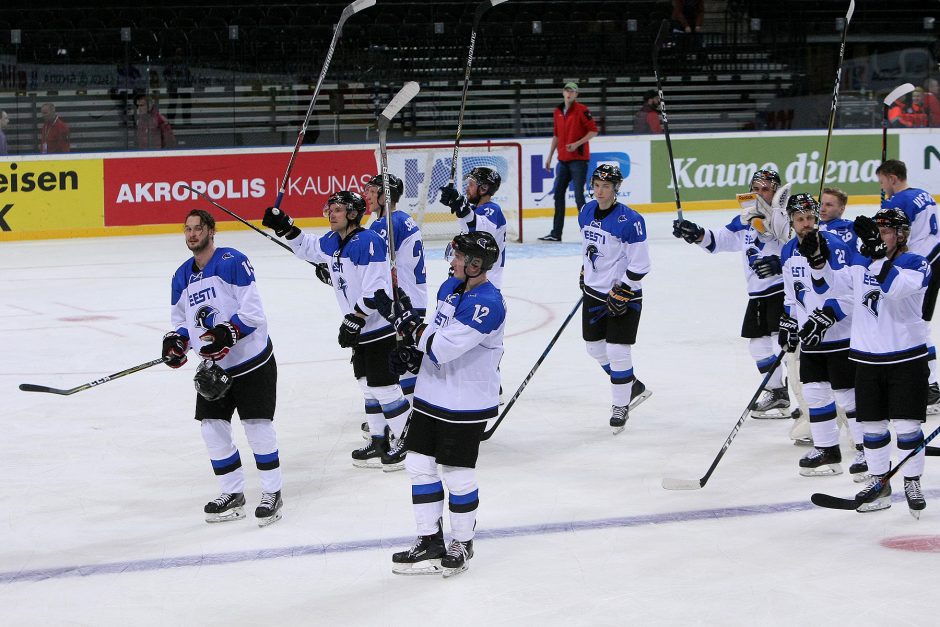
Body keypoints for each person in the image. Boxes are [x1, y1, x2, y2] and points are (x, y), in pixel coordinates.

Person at [261, 191, 411, 471]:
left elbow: (377, 290)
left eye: (338, 209)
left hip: (377, 328)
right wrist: (284, 226)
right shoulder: (333, 241)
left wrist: (356, 317)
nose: (332, 214)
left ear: (353, 213)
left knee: (385, 387)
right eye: (329, 209)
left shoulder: (368, 242)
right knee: (367, 387)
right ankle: (379, 440)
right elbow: (307, 247)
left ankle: (408, 440)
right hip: (360, 330)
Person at [388, 231, 505, 578]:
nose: (452, 261)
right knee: (419, 466)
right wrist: (412, 356)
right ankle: (430, 540)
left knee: (456, 473)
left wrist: (409, 326)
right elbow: (430, 344)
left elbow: (442, 347)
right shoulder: (448, 289)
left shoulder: (489, 303)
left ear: (475, 264)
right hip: (430, 394)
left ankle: (463, 542)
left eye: (458, 257)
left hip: (465, 401)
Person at [162, 209, 284, 526]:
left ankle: (272, 493)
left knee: (257, 426)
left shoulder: (232, 261)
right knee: (211, 427)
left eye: (198, 228)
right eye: (187, 229)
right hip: (215, 368)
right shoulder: (181, 276)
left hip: (251, 362)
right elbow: (182, 323)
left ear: (211, 231)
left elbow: (253, 313)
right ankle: (232, 493)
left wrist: (229, 332)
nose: (192, 234)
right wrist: (177, 343)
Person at [673, 170, 794, 419]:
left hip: (783, 292)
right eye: (756, 189)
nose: (760, 194)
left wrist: (781, 262)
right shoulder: (745, 219)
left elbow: (803, 248)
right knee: (758, 347)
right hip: (758, 294)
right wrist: (696, 234)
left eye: (766, 189)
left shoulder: (787, 218)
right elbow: (721, 240)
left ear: (777, 192)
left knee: (787, 349)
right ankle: (778, 394)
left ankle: (809, 404)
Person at [834, 208, 930, 516]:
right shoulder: (860, 260)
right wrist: (819, 262)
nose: (879, 237)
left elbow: (896, 289)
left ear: (901, 235)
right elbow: (842, 292)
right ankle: (879, 484)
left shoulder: (916, 263)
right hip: (866, 357)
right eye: (876, 232)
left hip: (906, 357)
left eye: (886, 232)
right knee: (872, 427)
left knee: (907, 426)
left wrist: (876, 258)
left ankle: (912, 481)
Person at [778, 194, 865, 479]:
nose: (807, 224)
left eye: (810, 218)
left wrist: (829, 315)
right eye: (800, 219)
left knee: (847, 394)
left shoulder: (835, 246)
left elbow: (853, 292)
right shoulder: (789, 251)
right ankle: (828, 450)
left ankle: (866, 449)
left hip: (840, 336)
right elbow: (793, 294)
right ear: (792, 221)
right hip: (811, 339)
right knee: (815, 393)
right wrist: (790, 322)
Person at [578, 164, 653, 433]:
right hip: (593, 293)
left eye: (606, 186)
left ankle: (620, 405)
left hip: (625, 294)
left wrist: (624, 288)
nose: (600, 191)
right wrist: (585, 271)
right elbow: (590, 248)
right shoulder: (586, 211)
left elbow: (641, 264)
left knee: (618, 350)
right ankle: (631, 385)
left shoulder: (630, 220)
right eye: (597, 185)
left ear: (616, 189)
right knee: (594, 348)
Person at [361, 172, 428, 434]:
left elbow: (370, 266)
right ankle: (412, 418)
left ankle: (410, 422)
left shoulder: (385, 224)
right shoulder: (403, 220)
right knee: (407, 361)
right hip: (414, 297)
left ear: (384, 194)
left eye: (372, 189)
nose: (366, 194)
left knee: (401, 363)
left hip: (399, 302)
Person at [877, 159, 940, 413]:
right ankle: (929, 385)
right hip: (935, 260)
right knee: (919, 324)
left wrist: (886, 209)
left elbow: (881, 234)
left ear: (893, 178)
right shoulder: (922, 194)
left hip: (921, 267)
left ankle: (931, 387)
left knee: (917, 326)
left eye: (882, 182)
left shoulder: (899, 201)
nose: (883, 187)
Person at [539, 81, 598, 242]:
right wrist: (550, 156)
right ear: (563, 92)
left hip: (578, 160)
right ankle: (556, 233)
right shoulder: (557, 111)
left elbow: (593, 131)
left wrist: (577, 144)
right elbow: (556, 135)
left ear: (576, 94)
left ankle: (590, 231)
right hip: (563, 160)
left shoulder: (582, 110)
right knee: (558, 194)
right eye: (567, 91)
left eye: (572, 91)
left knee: (579, 196)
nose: (569, 94)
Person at [438, 166, 507, 289]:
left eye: (471, 184)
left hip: (486, 282)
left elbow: (481, 232)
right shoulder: (476, 210)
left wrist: (461, 206)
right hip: (472, 277)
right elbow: (469, 225)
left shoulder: (492, 210)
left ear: (483, 189)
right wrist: (458, 204)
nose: (467, 188)